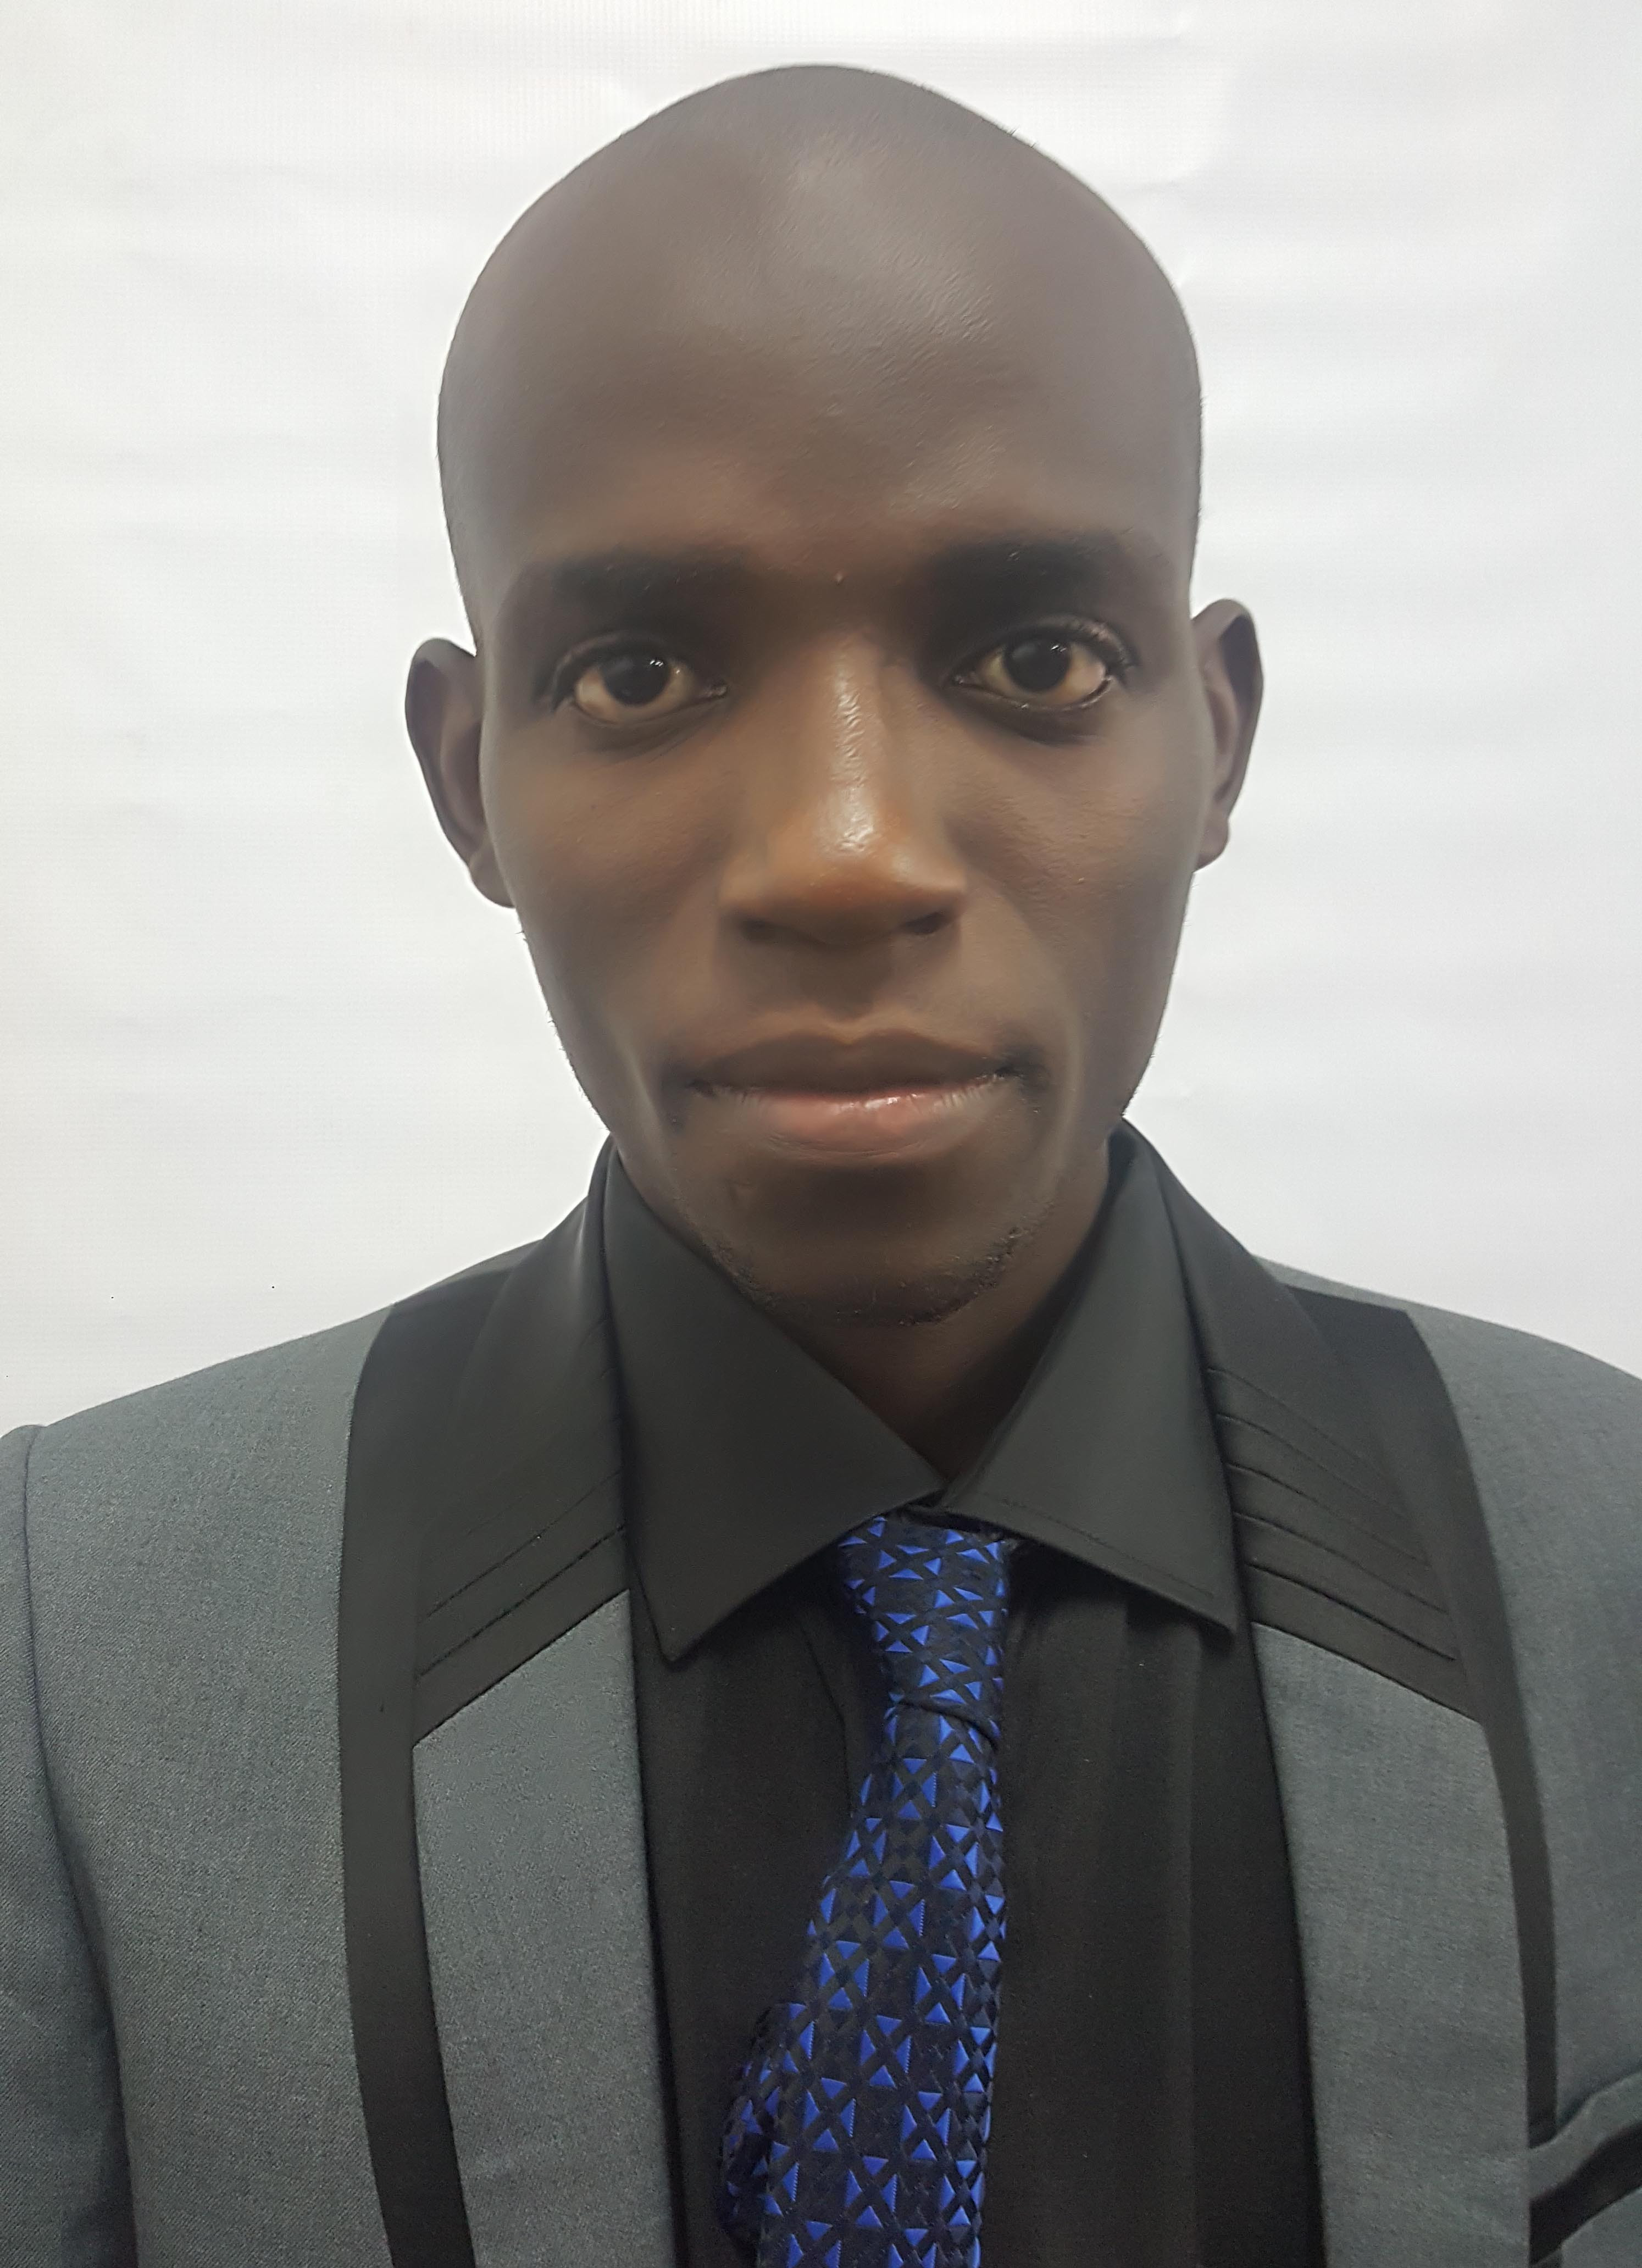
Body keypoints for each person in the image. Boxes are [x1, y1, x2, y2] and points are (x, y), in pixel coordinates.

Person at [2, 62, 1637, 2268]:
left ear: (1215, 738)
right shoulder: (71, 1651)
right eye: (640, 673)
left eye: (1037, 657)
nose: (845, 851)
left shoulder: (1610, 1557)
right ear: (469, 782)